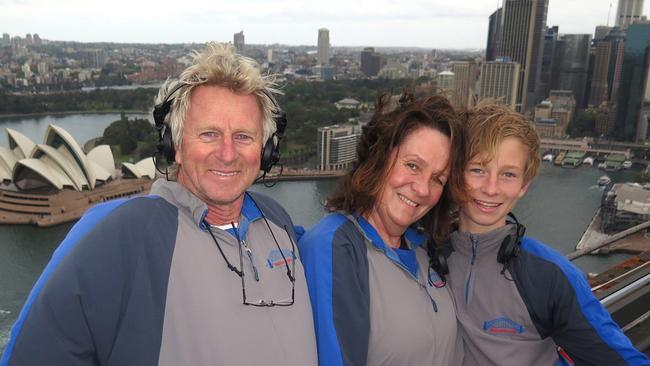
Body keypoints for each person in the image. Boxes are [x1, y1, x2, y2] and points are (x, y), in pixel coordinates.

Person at [1, 42, 317, 366]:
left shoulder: (276, 220)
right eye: (208, 134)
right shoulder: (118, 233)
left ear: (265, 152)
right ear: (175, 146)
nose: (227, 153)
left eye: (243, 136)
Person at [440, 103, 650, 365]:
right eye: (477, 170)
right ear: (455, 174)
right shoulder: (425, 253)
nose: (491, 188)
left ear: (523, 186)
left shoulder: (549, 274)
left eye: (508, 174)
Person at [298, 91, 465, 366]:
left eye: (438, 179)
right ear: (378, 159)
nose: (422, 188)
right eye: (412, 166)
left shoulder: (425, 250)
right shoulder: (335, 247)